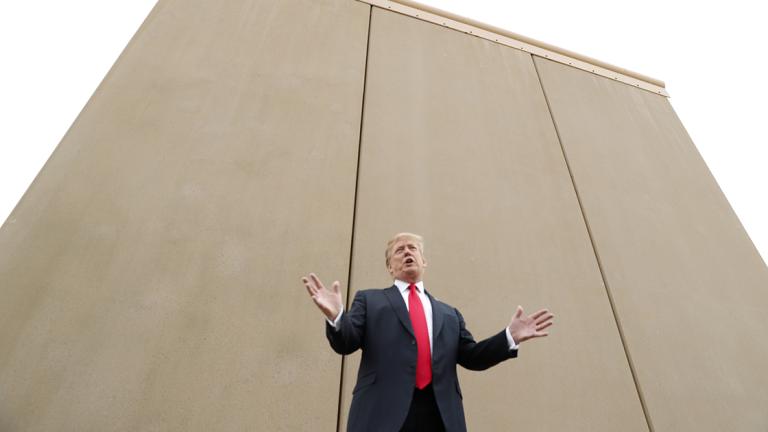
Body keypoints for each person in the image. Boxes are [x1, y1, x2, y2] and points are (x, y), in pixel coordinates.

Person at [302, 232, 554, 432]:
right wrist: (336, 316)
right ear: (390, 267)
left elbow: (473, 356)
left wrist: (509, 336)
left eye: (413, 248)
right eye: (399, 250)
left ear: (424, 261)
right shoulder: (370, 300)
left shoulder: (449, 314)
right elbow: (346, 342)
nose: (407, 252)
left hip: (440, 416)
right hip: (382, 414)